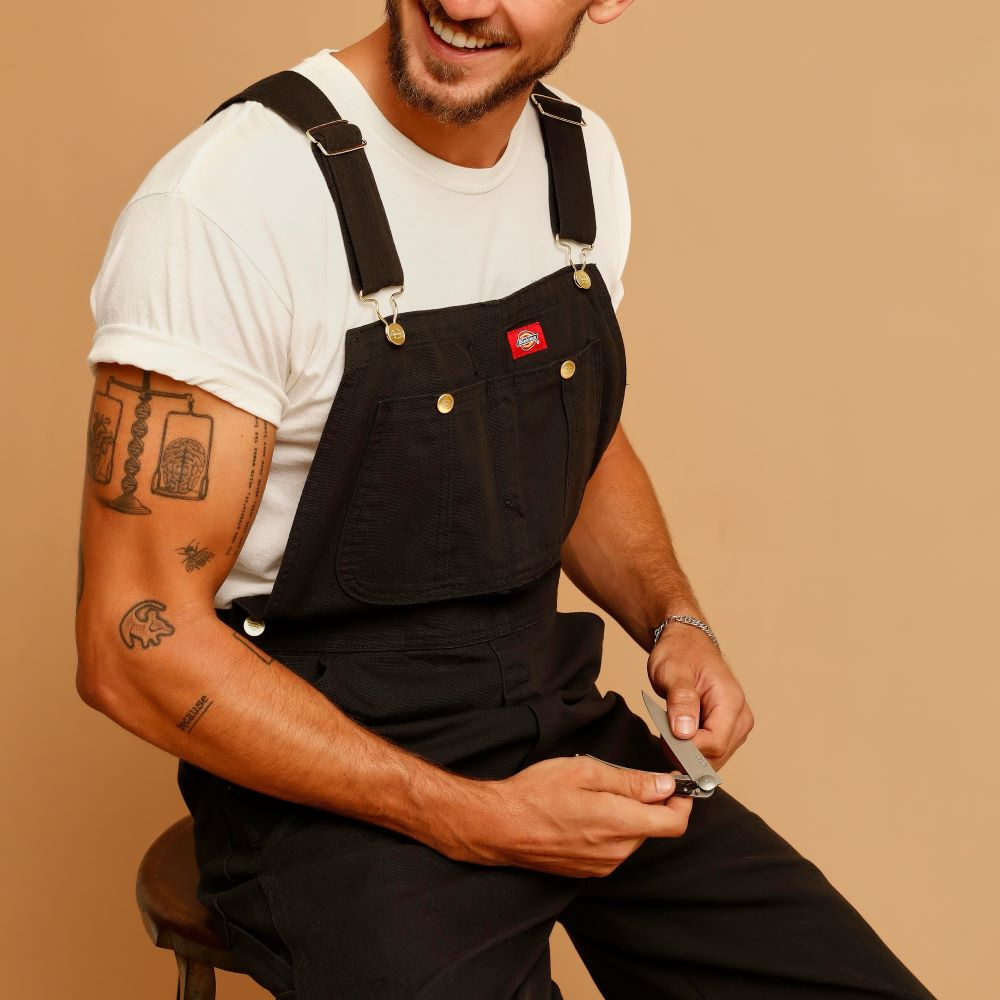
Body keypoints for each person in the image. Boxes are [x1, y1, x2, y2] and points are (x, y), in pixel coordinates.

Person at [75, 2, 937, 998]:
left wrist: (675, 620)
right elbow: (130, 643)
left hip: (548, 715)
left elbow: (573, 442)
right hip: (322, 788)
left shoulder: (577, 160)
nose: (466, 1)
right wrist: (473, 816)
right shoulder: (229, 204)